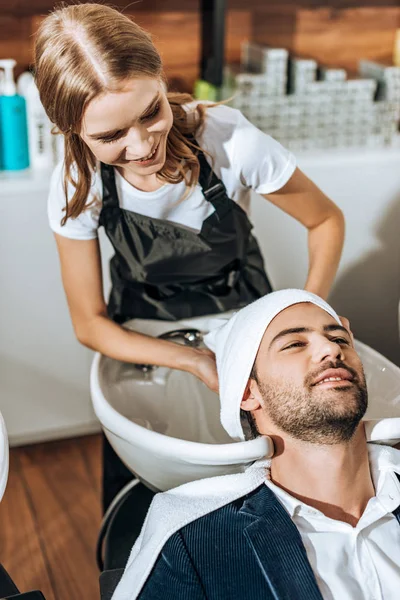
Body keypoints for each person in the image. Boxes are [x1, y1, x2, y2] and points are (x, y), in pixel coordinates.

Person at [34, 4, 344, 510]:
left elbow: (326, 221)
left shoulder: (227, 139)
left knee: (263, 480)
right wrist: (193, 360)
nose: (141, 147)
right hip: (144, 332)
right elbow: (89, 324)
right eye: (110, 137)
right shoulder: (78, 182)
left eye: (151, 112)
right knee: (155, 475)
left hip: (245, 312)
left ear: (160, 77)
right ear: (70, 129)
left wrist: (312, 318)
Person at [111, 290, 400, 600]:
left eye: (341, 340)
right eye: (294, 344)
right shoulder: (195, 543)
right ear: (248, 394)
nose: (331, 348)